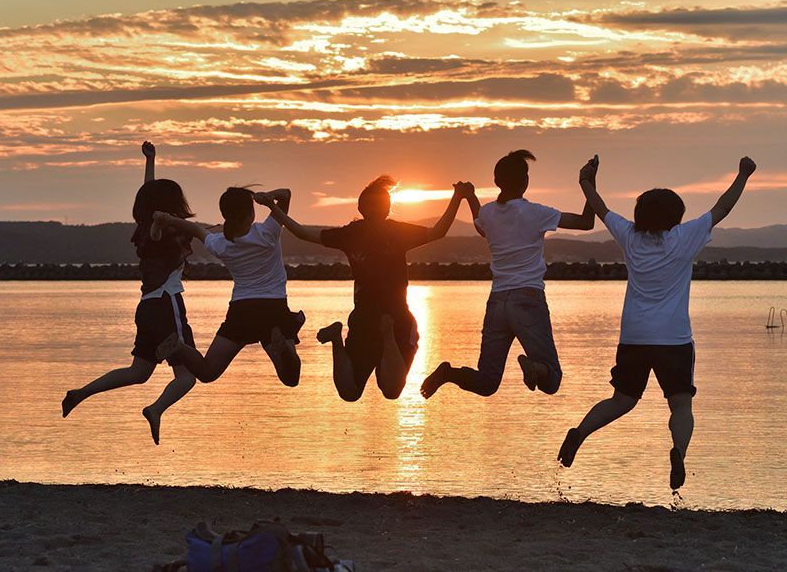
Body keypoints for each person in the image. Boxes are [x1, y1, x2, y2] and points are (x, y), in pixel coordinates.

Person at [557, 156, 757, 491]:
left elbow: (602, 210)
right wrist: (743, 175)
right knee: (680, 403)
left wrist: (586, 181)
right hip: (673, 339)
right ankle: (678, 452)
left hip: (633, 337)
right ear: (675, 217)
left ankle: (579, 433)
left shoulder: (630, 238)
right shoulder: (684, 237)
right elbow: (722, 208)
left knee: (621, 400)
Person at [257, 176, 471, 401]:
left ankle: (377, 336)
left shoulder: (383, 233)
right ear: (368, 208)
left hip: (394, 320)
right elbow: (439, 231)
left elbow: (302, 232)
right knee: (371, 392)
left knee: (375, 391)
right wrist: (457, 197)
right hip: (371, 321)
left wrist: (273, 207)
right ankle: (342, 338)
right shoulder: (356, 234)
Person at [420, 151, 598, 400]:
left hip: (497, 303)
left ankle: (449, 374)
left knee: (487, 382)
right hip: (527, 299)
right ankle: (535, 367)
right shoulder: (537, 213)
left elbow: (481, 226)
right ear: (525, 181)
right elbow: (586, 222)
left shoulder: (489, 214)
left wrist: (470, 196)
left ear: (496, 182)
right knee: (552, 380)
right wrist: (590, 181)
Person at [61, 141, 198, 445]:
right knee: (188, 376)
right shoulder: (161, 231)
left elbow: (150, 199)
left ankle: (81, 392)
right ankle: (155, 409)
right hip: (166, 304)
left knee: (139, 372)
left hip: (147, 308)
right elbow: (157, 230)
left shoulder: (144, 226)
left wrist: (150, 161)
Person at [153, 187, 305, 388]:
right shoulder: (268, 232)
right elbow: (286, 194)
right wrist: (269, 197)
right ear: (250, 214)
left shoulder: (220, 244)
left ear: (224, 215)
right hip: (273, 309)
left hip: (241, 312)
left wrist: (168, 220)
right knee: (290, 378)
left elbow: (195, 229)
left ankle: (179, 347)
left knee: (207, 372)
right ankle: (283, 346)